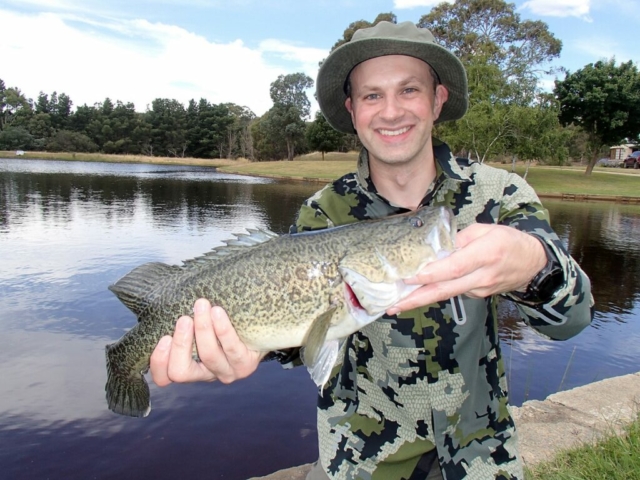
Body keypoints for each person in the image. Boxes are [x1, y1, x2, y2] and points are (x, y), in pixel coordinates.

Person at [149, 21, 593, 480]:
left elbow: (574, 321)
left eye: (409, 90)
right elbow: (304, 338)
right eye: (372, 95)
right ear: (353, 109)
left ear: (438, 99)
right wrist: (243, 349)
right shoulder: (322, 214)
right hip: (359, 462)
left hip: (481, 459)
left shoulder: (499, 196)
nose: (391, 111)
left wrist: (534, 266)